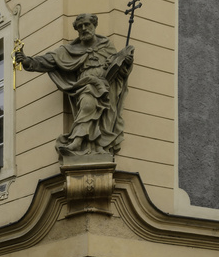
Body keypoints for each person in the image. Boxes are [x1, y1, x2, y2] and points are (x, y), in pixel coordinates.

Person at [19, 13, 134, 160]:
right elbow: (50, 60)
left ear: (94, 26)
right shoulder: (70, 50)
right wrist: (29, 61)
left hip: (107, 86)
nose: (84, 28)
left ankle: (98, 145)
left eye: (87, 25)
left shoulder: (106, 45)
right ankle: (77, 142)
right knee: (87, 104)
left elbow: (118, 70)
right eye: (80, 26)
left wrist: (126, 63)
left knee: (105, 117)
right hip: (85, 84)